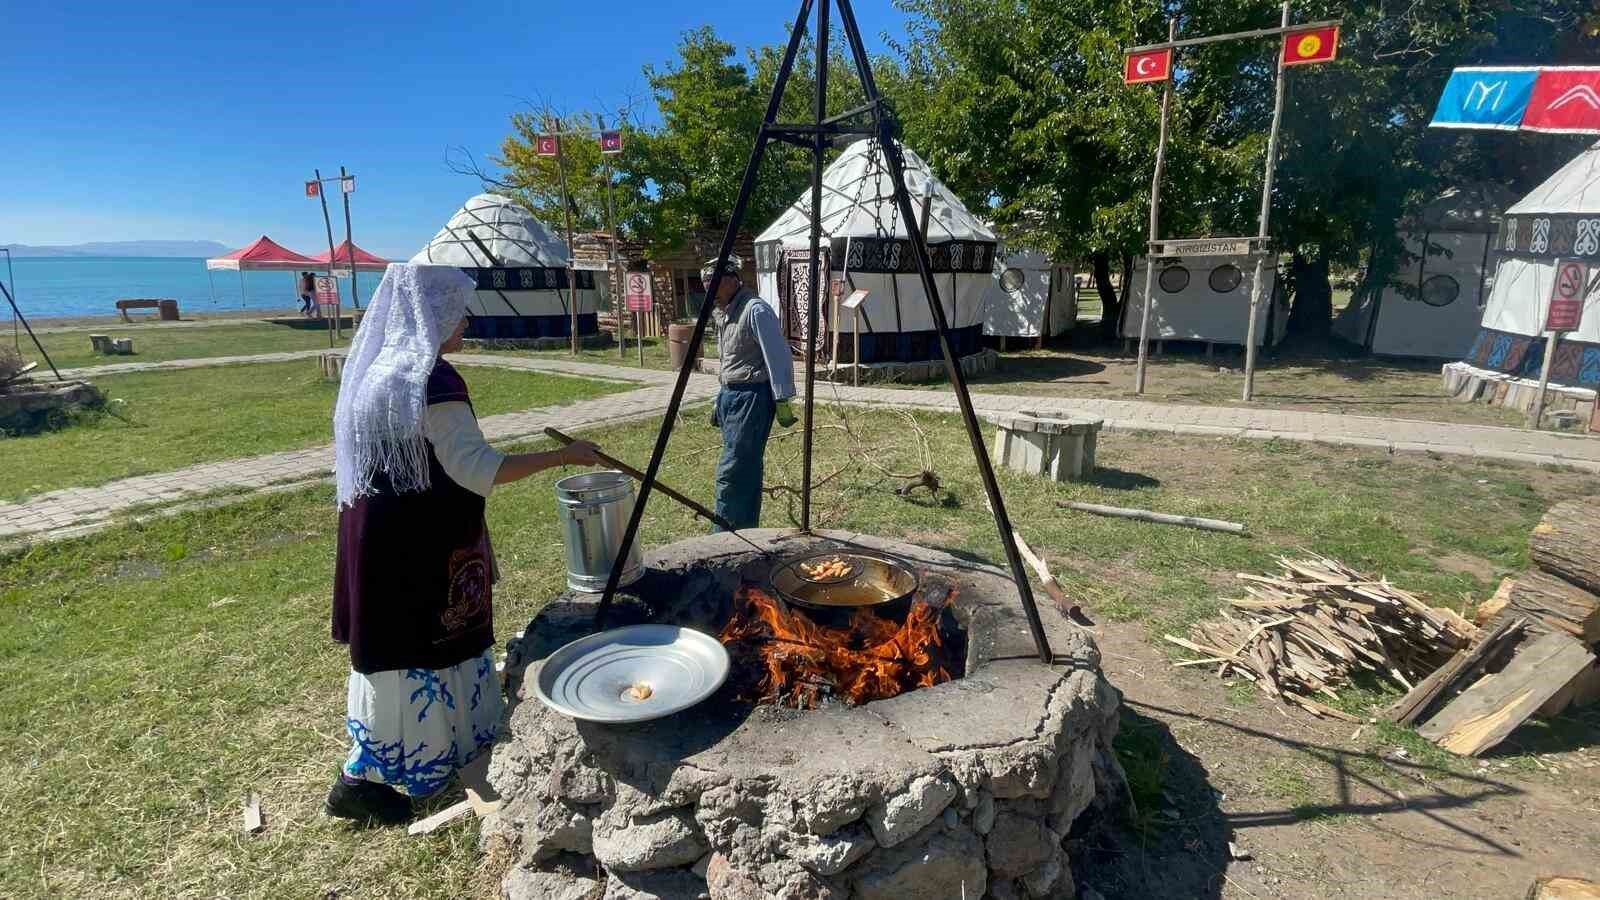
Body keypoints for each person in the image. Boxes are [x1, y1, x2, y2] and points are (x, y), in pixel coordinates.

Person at [326, 263, 602, 825]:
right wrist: (564, 455)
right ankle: (365, 781)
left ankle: (386, 761)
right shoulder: (434, 381)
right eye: (456, 309)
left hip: (377, 540)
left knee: (394, 650)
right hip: (422, 547)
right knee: (425, 644)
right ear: (430, 315)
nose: (466, 319)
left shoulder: (380, 371)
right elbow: (477, 468)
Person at [704, 255, 797, 531]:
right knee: (744, 469)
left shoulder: (754, 310)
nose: (709, 289)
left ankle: (725, 535)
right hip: (732, 397)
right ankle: (743, 530)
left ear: (732, 280)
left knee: (732, 471)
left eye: (714, 283)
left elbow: (778, 356)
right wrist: (719, 399)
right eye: (706, 283)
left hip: (751, 399)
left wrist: (782, 399)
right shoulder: (725, 312)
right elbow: (730, 361)